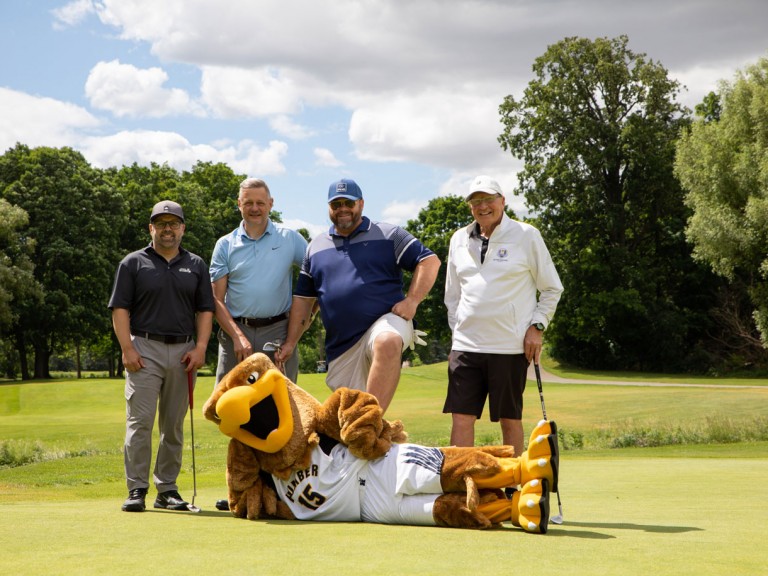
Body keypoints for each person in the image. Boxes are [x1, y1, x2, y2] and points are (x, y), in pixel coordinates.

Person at [276, 178, 440, 413]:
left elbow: (429, 260)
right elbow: (304, 300)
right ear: (329, 208)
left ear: (361, 204)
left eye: (348, 203)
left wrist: (412, 300)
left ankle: (371, 427)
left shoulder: (389, 234)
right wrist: (291, 342)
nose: (342, 209)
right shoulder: (315, 247)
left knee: (387, 341)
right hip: (342, 345)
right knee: (352, 415)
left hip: (385, 322)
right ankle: (373, 435)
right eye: (336, 204)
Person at [443, 175, 563, 455]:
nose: (482, 206)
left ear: (502, 201)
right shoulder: (458, 239)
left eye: (488, 199)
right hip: (466, 346)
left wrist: (537, 326)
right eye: (476, 201)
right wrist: (457, 333)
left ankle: (512, 487)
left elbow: (551, 288)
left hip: (509, 346)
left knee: (510, 418)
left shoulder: (526, 235)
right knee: (461, 417)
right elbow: (452, 296)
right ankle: (462, 485)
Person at [109, 200, 215, 512]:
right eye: (161, 223)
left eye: (173, 223)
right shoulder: (133, 263)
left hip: (184, 351)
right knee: (140, 423)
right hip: (144, 348)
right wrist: (127, 349)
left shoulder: (195, 265)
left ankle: (167, 489)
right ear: (151, 228)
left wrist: (200, 348)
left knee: (174, 425)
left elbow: (205, 310)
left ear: (182, 228)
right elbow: (120, 309)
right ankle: (137, 489)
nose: (167, 229)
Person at [209, 178, 308, 384]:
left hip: (279, 331)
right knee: (228, 403)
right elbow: (216, 299)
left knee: (282, 405)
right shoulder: (225, 244)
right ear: (239, 204)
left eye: (260, 203)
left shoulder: (290, 239)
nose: (255, 208)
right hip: (235, 331)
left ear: (270, 204)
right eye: (248, 203)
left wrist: (299, 329)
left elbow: (319, 279)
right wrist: (237, 337)